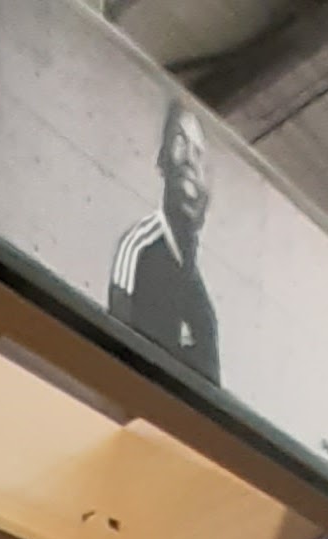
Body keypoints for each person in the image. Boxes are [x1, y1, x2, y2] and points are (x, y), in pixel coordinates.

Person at [110, 98, 221, 387]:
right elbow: (112, 345)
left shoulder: (200, 300)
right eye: (180, 142)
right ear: (162, 159)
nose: (189, 159)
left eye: (198, 151)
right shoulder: (138, 246)